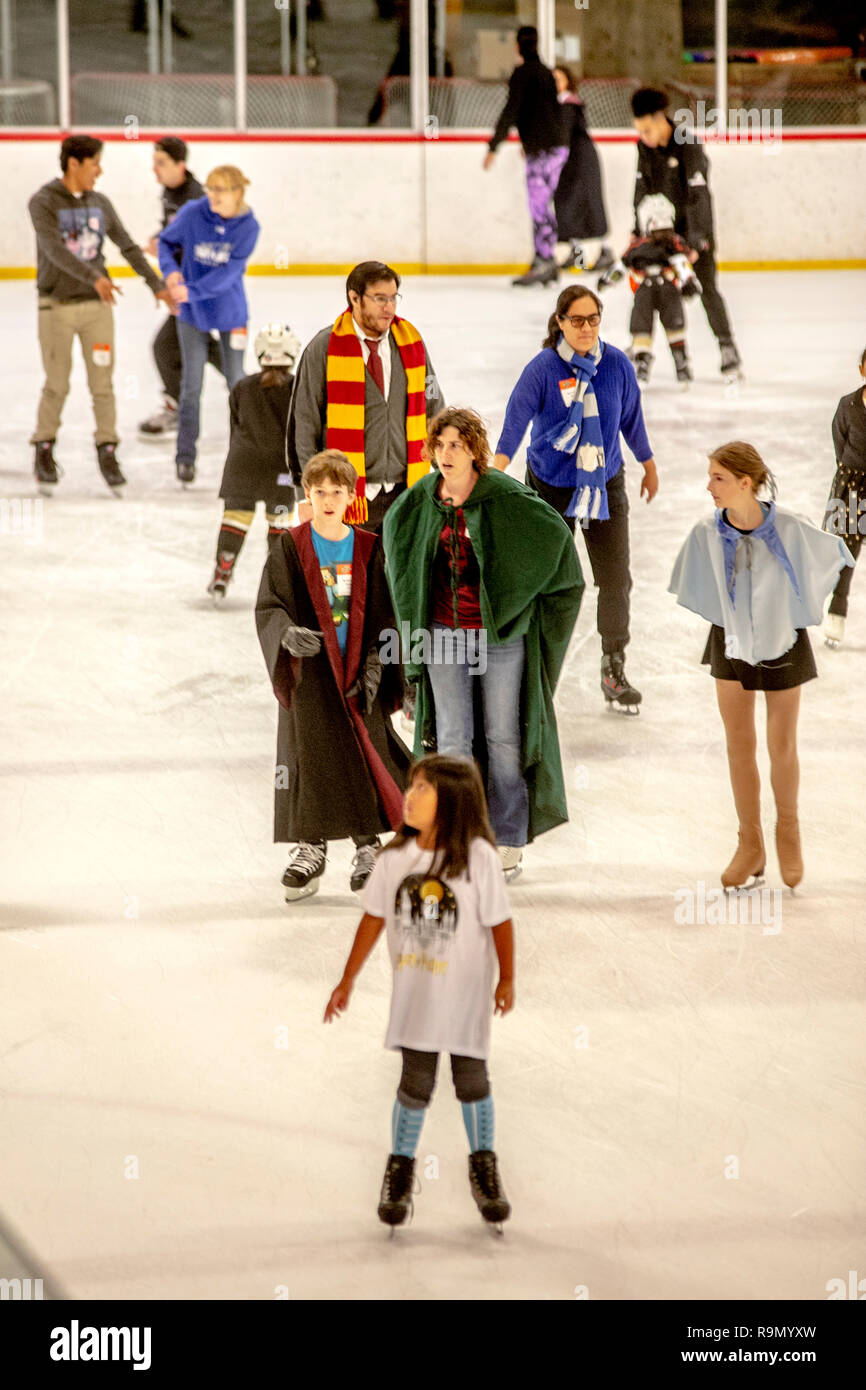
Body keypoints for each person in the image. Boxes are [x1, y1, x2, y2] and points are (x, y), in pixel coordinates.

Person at [382, 408, 584, 882]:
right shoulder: (421, 502)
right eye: (441, 444)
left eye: (457, 444)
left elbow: (554, 540)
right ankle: (455, 835)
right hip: (443, 635)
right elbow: (399, 548)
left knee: (502, 734)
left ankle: (507, 836)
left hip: (500, 636)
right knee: (452, 738)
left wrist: (514, 601)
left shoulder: (504, 496)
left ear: (475, 450)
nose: (447, 453)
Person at [324, 754, 515, 1230]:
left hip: (466, 997)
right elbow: (373, 919)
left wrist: (506, 978)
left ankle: (484, 1168)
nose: (408, 797)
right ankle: (400, 1170)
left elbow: (499, 921)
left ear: (452, 802)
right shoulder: (394, 861)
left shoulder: (479, 859)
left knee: (472, 1081)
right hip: (417, 998)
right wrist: (347, 979)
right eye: (410, 787)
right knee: (415, 1082)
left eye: (422, 789)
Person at [669, 441, 853, 890]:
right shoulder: (704, 533)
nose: (708, 486)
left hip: (782, 638)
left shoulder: (791, 528)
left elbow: (836, 559)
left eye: (718, 478)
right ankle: (749, 842)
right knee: (738, 744)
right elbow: (694, 583)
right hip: (731, 639)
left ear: (745, 483)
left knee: (781, 744)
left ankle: (787, 831)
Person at [255, 449, 410, 902]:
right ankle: (311, 846)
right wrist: (285, 635)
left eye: (336, 491)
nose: (327, 499)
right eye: (319, 491)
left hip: (359, 674)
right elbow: (270, 605)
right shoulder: (289, 546)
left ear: (351, 496)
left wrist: (378, 667)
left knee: (364, 755)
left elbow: (386, 615)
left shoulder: (368, 547)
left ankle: (368, 845)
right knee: (310, 756)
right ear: (307, 493)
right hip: (311, 676)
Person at [493, 286, 657, 713]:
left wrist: (649, 463)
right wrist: (498, 466)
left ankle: (613, 664)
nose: (586, 328)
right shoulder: (543, 369)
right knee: (545, 580)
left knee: (615, 579)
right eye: (577, 320)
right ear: (561, 322)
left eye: (593, 319)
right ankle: (535, 668)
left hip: (605, 483)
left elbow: (632, 419)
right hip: (550, 485)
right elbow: (516, 419)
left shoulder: (617, 364)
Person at [28, 134, 172, 495]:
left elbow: (125, 244)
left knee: (102, 385)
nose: (100, 171)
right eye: (95, 163)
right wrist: (96, 278)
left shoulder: (100, 203)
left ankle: (107, 450)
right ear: (74, 163)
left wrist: (156, 284)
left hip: (96, 310)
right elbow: (54, 250)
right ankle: (43, 448)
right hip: (55, 308)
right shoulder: (42, 202)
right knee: (56, 384)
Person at [285, 260, 444, 532]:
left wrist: (447, 476)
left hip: (406, 495)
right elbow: (304, 424)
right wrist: (306, 495)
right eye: (380, 299)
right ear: (354, 298)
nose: (389, 307)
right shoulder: (323, 348)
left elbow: (434, 411)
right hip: (344, 498)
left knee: (398, 575)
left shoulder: (412, 344)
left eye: (394, 298)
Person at [631, 87, 743, 381]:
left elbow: (698, 196)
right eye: (639, 130)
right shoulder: (645, 148)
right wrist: (637, 231)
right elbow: (641, 190)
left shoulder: (688, 145)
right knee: (651, 288)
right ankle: (644, 349)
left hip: (695, 231)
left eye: (647, 128)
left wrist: (696, 241)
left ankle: (727, 345)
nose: (643, 135)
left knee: (706, 288)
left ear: (660, 118)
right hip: (660, 234)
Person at [157, 165, 259, 485]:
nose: (212, 197)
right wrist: (171, 273)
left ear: (238, 192)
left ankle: (244, 457)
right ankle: (185, 457)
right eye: (210, 190)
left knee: (237, 384)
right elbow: (165, 243)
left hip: (230, 312)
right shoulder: (192, 212)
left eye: (221, 191)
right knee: (191, 385)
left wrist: (192, 290)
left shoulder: (248, 227)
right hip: (192, 314)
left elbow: (229, 273)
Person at [208, 323, 301, 604]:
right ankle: (278, 583)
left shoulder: (241, 387)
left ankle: (222, 572)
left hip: (242, 466)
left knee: (235, 518)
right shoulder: (299, 388)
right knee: (279, 525)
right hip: (282, 471)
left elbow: (235, 428)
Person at [139, 137, 224, 440]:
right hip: (187, 287)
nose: (155, 170)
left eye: (161, 163)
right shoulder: (170, 192)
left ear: (181, 165)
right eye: (154, 162)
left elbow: (204, 246)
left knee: (165, 346)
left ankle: (177, 408)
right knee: (203, 346)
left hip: (198, 287)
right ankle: (248, 388)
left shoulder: (195, 199)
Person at [483, 26, 567, 288]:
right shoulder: (545, 73)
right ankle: (546, 259)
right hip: (555, 147)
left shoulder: (522, 74)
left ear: (518, 47)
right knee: (541, 203)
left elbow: (512, 109)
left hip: (543, 150)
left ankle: (545, 260)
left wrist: (494, 145)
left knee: (539, 204)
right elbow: (549, 110)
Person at [599, 191, 702, 388]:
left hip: (657, 291)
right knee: (647, 326)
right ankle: (657, 361)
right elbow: (622, 266)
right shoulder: (667, 245)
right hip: (654, 292)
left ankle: (664, 361)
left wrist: (607, 281)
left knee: (662, 325)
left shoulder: (650, 245)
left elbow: (621, 267)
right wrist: (690, 282)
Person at [551, 64, 614, 274]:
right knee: (567, 204)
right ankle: (575, 255)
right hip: (568, 161)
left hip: (581, 160)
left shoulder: (569, 104)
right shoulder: (556, 105)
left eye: (560, 79)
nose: (556, 83)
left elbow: (563, 134)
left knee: (586, 204)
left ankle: (605, 252)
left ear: (568, 82)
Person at [823, 346, 866, 648]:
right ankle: (836, 618)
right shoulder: (848, 405)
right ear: (862, 370)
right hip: (851, 486)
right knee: (846, 555)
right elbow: (840, 443)